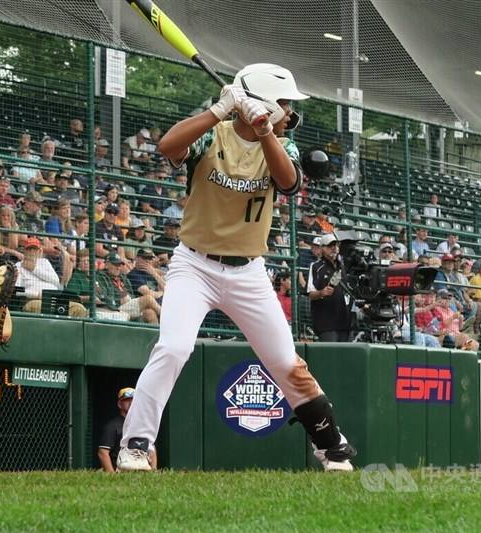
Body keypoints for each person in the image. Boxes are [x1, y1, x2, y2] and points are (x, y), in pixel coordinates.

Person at [116, 63, 356, 472]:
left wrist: (265, 130)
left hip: (248, 271)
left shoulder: (283, 143)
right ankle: (135, 445)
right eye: (283, 104)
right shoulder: (213, 134)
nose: (290, 112)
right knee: (173, 347)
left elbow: (289, 183)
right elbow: (167, 147)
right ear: (260, 100)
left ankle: (331, 446)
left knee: (285, 361)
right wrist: (219, 109)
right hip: (194, 264)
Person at [97, 388, 156, 473]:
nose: (131, 403)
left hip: (142, 471)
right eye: (127, 400)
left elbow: (152, 449)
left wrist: (153, 471)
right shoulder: (113, 426)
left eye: (134, 400)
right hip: (120, 470)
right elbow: (102, 453)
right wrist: (112, 475)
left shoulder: (143, 425)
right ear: (120, 404)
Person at [306, 234, 350, 341]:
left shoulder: (343, 266)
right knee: (331, 355)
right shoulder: (316, 266)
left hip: (344, 320)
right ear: (322, 248)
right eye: (330, 246)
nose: (334, 248)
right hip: (326, 323)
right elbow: (310, 294)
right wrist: (322, 293)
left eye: (336, 245)